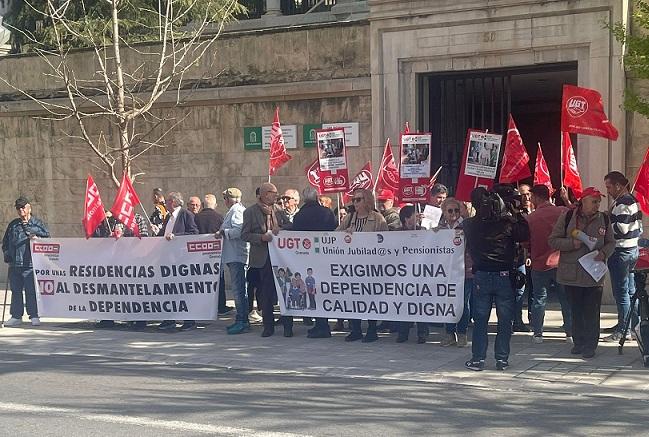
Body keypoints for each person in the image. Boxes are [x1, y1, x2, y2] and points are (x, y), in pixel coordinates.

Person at [463, 187, 530, 371]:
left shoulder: (469, 224)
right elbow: (525, 234)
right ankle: (502, 359)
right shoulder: (507, 223)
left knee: (481, 319)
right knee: (505, 319)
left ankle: (478, 359)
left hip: (482, 275)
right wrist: (515, 212)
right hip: (503, 275)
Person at [549, 187, 615, 358]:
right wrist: (572, 244)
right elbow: (553, 241)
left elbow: (611, 243)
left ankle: (590, 345)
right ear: (583, 201)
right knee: (576, 310)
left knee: (592, 312)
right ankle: (578, 342)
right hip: (572, 274)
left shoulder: (604, 219)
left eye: (599, 201)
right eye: (594, 201)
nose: (597, 204)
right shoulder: (568, 217)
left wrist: (604, 253)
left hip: (594, 275)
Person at [337, 188, 389, 342]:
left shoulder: (378, 218)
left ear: (367, 201)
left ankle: (372, 329)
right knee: (353, 297)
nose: (355, 202)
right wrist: (345, 233)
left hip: (371, 266)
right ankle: (356, 329)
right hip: (352, 266)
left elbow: (386, 240)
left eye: (359, 199)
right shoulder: (350, 217)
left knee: (370, 297)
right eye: (354, 200)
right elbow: (334, 235)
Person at [242, 182, 292, 337]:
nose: (276, 195)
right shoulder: (250, 212)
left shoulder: (279, 210)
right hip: (262, 258)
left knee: (284, 291)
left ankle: (288, 326)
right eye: (273, 192)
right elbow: (245, 234)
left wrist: (281, 230)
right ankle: (268, 326)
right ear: (264, 194)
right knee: (265, 293)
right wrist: (261, 237)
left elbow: (291, 226)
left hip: (280, 258)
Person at [526, 185, 572, 344]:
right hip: (561, 262)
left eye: (532, 197)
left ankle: (538, 333)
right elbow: (576, 216)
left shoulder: (531, 218)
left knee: (539, 299)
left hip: (540, 263)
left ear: (538, 197)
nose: (530, 200)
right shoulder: (562, 211)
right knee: (566, 299)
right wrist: (566, 200)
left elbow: (526, 241)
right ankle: (570, 333)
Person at [292, 186, 337, 337]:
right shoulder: (327, 212)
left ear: (304, 199)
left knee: (314, 292)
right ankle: (321, 324)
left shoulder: (300, 215)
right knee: (322, 290)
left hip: (307, 259)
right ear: (317, 197)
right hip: (325, 258)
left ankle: (321, 325)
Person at [603, 171, 643, 342]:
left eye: (609, 186)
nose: (608, 190)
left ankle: (624, 329)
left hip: (621, 251)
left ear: (618, 186)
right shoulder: (631, 201)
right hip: (631, 250)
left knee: (622, 292)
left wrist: (607, 219)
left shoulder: (623, 203)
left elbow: (622, 229)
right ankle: (633, 326)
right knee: (631, 291)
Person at [2, 196, 50, 327]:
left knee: (31, 291)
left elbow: (47, 238)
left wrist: (36, 235)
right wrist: (7, 254)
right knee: (16, 291)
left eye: (23, 207)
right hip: (15, 264)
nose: (20, 210)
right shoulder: (13, 225)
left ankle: (34, 315)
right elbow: (5, 242)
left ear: (29, 208)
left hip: (30, 264)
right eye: (18, 208)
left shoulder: (37, 224)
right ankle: (16, 316)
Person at [157, 191, 199, 331]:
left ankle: (189, 320)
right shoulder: (168, 217)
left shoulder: (186, 215)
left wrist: (176, 236)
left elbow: (194, 233)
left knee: (183, 291)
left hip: (181, 260)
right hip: (168, 260)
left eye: (168, 201)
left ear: (174, 202)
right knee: (169, 291)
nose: (165, 203)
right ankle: (169, 319)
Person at [436, 197, 472, 348]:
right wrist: (433, 235)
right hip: (445, 273)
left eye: (456, 210)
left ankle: (462, 333)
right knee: (447, 303)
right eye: (449, 210)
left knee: (463, 304)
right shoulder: (440, 229)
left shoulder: (467, 227)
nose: (453, 213)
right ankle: (449, 334)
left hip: (465, 272)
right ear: (444, 212)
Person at [395, 205, 430, 344]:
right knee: (403, 304)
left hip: (420, 274)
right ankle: (403, 333)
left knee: (420, 304)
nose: (418, 218)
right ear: (406, 219)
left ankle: (422, 333)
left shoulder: (423, 231)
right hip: (402, 275)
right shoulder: (396, 233)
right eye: (415, 216)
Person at [218, 188, 250, 335]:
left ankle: (242, 321)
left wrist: (223, 232)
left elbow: (238, 231)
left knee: (238, 290)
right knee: (239, 289)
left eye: (225, 198)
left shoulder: (236, 211)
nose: (224, 201)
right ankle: (241, 319)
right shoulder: (234, 210)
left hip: (237, 255)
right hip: (234, 255)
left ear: (229, 199)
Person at [197, 193, 230, 316]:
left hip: (198, 255)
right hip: (216, 255)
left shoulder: (196, 217)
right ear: (215, 205)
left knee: (201, 281)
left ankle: (202, 305)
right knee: (218, 279)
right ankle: (221, 305)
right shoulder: (219, 217)